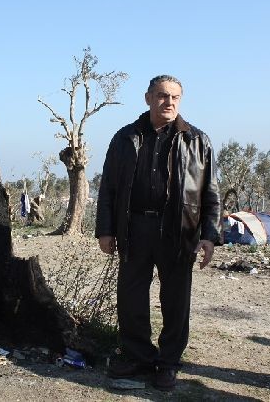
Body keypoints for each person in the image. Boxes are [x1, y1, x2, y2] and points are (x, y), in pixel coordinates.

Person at [95, 75, 221, 390]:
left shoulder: (197, 140)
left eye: (175, 97)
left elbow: (211, 192)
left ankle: (167, 363)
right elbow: (108, 188)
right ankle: (138, 357)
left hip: (179, 231)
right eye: (163, 96)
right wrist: (105, 230)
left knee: (175, 300)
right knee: (131, 297)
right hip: (134, 227)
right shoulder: (125, 138)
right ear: (148, 98)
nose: (169, 102)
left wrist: (209, 235)